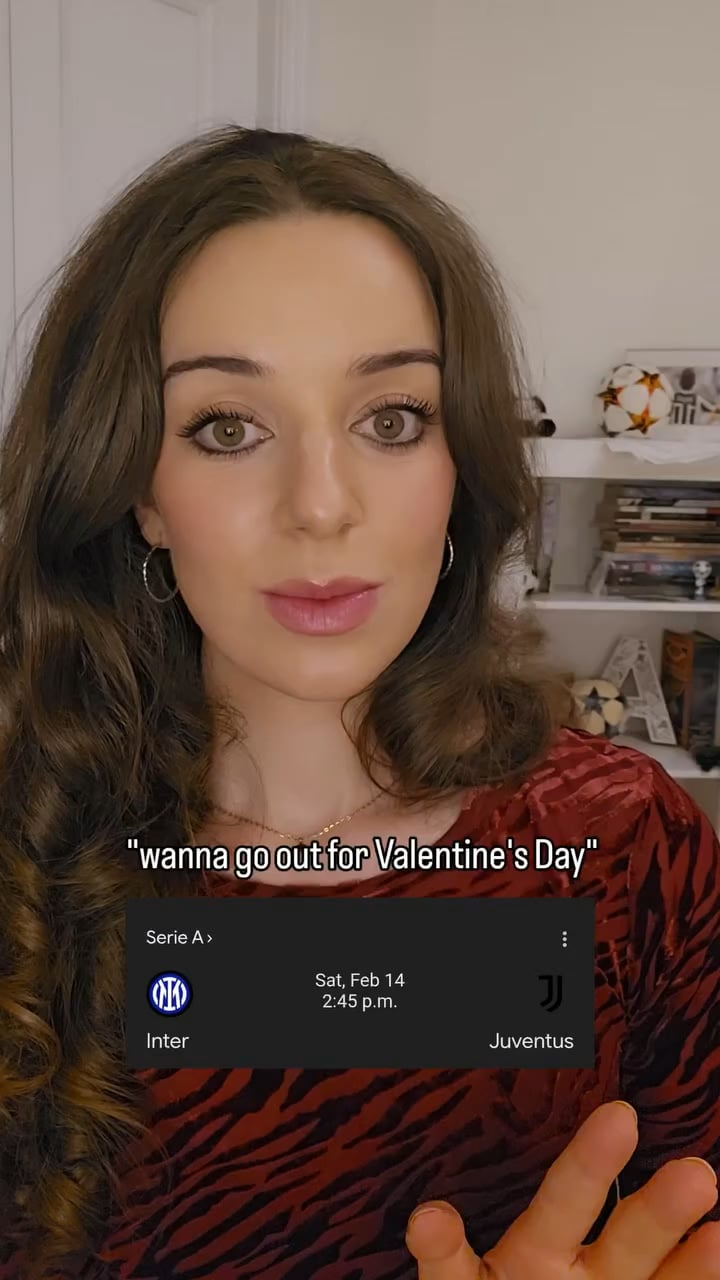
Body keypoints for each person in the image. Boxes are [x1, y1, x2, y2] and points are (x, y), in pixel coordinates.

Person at [0, 126, 718, 1280]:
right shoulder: (24, 851)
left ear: (456, 462)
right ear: (139, 490)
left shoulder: (625, 843)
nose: (322, 505)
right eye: (227, 426)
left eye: (392, 419)